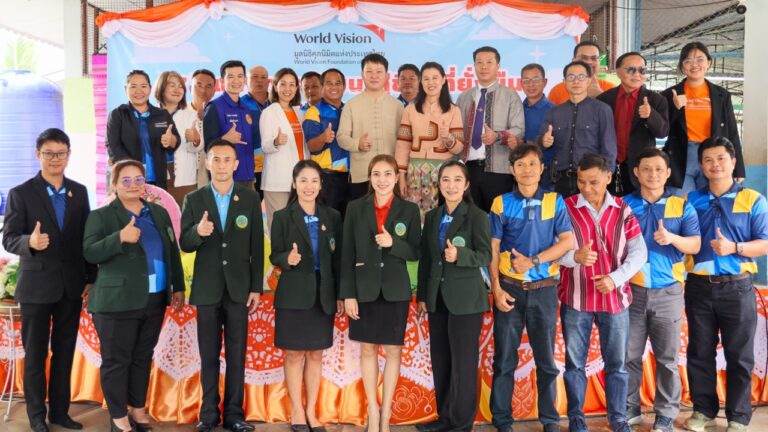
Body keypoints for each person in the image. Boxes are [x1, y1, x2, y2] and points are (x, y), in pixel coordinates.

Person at [2, 128, 96, 432]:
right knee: (36, 355)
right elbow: (9, 238)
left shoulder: (79, 191)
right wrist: (29, 242)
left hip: (71, 286)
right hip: (36, 288)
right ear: (37, 155)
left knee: (64, 353)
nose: (55, 159)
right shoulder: (21, 193)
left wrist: (91, 277)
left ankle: (59, 413)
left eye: (61, 153)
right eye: (49, 153)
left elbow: (86, 238)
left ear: (69, 154)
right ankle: (35, 416)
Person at [83, 160, 185, 432]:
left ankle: (138, 411)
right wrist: (119, 237)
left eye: (138, 179)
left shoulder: (158, 212)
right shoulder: (101, 216)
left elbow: (171, 250)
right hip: (116, 302)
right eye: (125, 180)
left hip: (155, 298)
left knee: (142, 356)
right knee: (117, 361)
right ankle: (118, 418)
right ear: (114, 184)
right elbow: (90, 252)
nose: (133, 185)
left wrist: (178, 286)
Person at [682, 137, 768, 432]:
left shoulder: (754, 200)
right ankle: (703, 411)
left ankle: (738, 417)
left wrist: (735, 248)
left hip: (738, 287)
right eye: (708, 159)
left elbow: (764, 243)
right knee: (699, 352)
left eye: (721, 158)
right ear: (701, 165)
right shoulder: (690, 201)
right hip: (698, 287)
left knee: (739, 355)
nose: (714, 164)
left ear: (733, 162)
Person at [557, 153, 647, 432]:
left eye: (593, 182)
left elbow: (639, 253)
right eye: (581, 181)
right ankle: (576, 418)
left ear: (608, 177)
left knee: (617, 364)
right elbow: (552, 251)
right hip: (576, 299)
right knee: (575, 364)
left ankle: (618, 418)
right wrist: (574, 257)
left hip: (615, 300)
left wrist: (615, 279)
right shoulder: (566, 208)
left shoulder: (623, 210)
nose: (586, 188)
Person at [179, 139, 264, 432]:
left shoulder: (250, 198)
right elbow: (185, 243)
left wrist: (256, 286)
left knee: (237, 354)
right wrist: (198, 231)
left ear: (236, 164)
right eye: (216, 159)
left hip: (239, 289)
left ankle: (234, 415)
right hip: (207, 289)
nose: (222, 165)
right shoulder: (194, 199)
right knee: (209, 354)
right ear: (207, 162)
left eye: (227, 159)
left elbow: (256, 245)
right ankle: (208, 414)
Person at [488, 144, 573, 432]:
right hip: (509, 290)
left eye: (532, 164)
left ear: (541, 168)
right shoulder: (501, 203)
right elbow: (492, 248)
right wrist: (496, 288)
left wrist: (534, 261)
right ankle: (502, 422)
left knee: (546, 361)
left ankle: (550, 420)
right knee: (504, 361)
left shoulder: (555, 200)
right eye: (521, 165)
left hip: (544, 290)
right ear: (512, 170)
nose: (527, 170)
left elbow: (566, 242)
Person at [340, 154, 421, 432]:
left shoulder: (409, 209)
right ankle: (372, 415)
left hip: (395, 290)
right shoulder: (355, 207)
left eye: (388, 174)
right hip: (363, 289)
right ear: (370, 177)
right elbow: (346, 252)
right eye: (376, 174)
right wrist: (348, 293)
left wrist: (393, 243)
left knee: (393, 350)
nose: (382, 180)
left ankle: (386, 417)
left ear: (397, 177)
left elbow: (415, 250)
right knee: (367, 349)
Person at [622, 148, 701, 432]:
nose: (652, 174)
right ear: (636, 172)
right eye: (646, 168)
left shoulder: (682, 206)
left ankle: (665, 414)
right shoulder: (623, 205)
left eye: (658, 169)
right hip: (632, 291)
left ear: (668, 173)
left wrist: (672, 238)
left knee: (667, 359)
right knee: (628, 355)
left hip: (668, 292)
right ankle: (629, 409)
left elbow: (695, 245)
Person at [415, 161, 491, 432]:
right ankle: (444, 418)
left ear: (466, 184)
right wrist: (422, 296)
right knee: (442, 361)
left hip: (466, 300)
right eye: (446, 180)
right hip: (437, 298)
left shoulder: (477, 216)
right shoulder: (432, 217)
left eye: (457, 180)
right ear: (439, 184)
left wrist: (461, 255)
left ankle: (461, 423)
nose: (451, 185)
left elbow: (485, 255)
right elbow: (426, 259)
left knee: (463, 363)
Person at [269, 160, 343, 432]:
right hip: (293, 294)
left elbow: (339, 259)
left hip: (323, 295)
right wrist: (286, 259)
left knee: (315, 354)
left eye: (314, 181)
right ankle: (296, 411)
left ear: (321, 185)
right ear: (294, 184)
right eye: (303, 180)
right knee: (293, 354)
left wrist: (341, 294)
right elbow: (274, 253)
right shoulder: (282, 217)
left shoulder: (333, 217)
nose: (308, 186)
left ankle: (311, 411)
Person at [661, 42, 745, 196]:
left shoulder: (722, 95)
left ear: (708, 63)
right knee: (681, 202)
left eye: (700, 59)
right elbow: (662, 130)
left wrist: (738, 167)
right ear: (682, 67)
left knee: (711, 201)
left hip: (713, 154)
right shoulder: (669, 95)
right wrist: (675, 108)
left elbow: (732, 131)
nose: (694, 65)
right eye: (688, 61)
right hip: (682, 156)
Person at [456, 46, 524, 212]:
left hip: (499, 169)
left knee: (498, 218)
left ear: (498, 66)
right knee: (471, 218)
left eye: (489, 62)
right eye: (479, 62)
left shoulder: (510, 95)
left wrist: (497, 136)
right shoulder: (464, 97)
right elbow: (457, 130)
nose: (484, 66)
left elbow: (519, 129)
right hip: (469, 168)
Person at [538, 61, 617, 197]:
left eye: (581, 77)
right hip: (561, 180)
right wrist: (543, 142)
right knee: (563, 211)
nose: (576, 81)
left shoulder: (602, 109)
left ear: (589, 81)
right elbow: (539, 142)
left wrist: (607, 175)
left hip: (591, 180)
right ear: (564, 82)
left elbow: (609, 146)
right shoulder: (554, 112)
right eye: (571, 77)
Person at [395, 61, 464, 217]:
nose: (430, 82)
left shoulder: (454, 110)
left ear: (443, 79)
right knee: (415, 216)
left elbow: (459, 148)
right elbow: (402, 145)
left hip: (443, 172)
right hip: (415, 172)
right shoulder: (410, 109)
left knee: (441, 216)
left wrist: (449, 138)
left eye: (435, 78)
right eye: (426, 78)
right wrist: (401, 176)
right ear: (421, 82)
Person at [597, 52, 669, 196]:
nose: (637, 74)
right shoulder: (604, 99)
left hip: (640, 167)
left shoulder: (656, 100)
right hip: (609, 165)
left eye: (642, 70)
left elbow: (663, 132)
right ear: (618, 72)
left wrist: (651, 116)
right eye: (631, 69)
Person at [337, 54, 404, 200]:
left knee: (391, 214)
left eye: (379, 71)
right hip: (362, 175)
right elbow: (341, 137)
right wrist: (357, 144)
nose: (374, 76)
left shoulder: (398, 106)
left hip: (391, 176)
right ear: (362, 75)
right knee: (362, 213)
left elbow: (405, 141)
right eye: (369, 71)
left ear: (387, 76)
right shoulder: (351, 105)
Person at [106, 70, 180, 190]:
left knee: (157, 202)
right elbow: (113, 146)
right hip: (129, 180)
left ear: (150, 89)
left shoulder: (162, 114)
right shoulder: (118, 114)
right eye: (133, 86)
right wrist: (132, 170)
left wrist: (171, 140)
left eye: (143, 86)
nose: (139, 91)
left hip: (158, 178)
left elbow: (176, 140)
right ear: (125, 89)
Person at [260, 67, 308, 230]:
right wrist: (275, 141)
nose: (288, 89)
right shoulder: (269, 112)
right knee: (278, 226)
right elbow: (265, 145)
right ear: (275, 86)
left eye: (292, 85)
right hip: (277, 181)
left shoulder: (300, 113)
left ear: (297, 88)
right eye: (283, 84)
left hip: (299, 180)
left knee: (297, 226)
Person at [203, 60, 256, 189]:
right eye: (230, 77)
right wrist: (224, 139)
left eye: (240, 76)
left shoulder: (246, 109)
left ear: (245, 80)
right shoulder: (214, 107)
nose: (236, 81)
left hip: (248, 176)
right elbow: (208, 146)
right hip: (225, 178)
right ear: (222, 81)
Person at [302, 68, 349, 216]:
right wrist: (323, 138)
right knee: (327, 223)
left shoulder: (349, 110)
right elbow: (311, 146)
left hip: (351, 178)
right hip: (327, 179)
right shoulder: (314, 112)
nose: (334, 87)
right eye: (329, 83)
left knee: (347, 224)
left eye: (338, 83)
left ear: (344, 86)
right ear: (322, 87)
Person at [155, 70, 204, 206]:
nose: (177, 89)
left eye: (180, 86)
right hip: (157, 177)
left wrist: (195, 139)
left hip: (185, 179)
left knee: (184, 216)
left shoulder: (190, 115)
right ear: (161, 88)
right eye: (172, 85)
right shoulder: (151, 114)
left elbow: (197, 148)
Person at [519, 63, 554, 189]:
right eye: (526, 80)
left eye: (535, 80)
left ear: (544, 82)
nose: (531, 84)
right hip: (519, 171)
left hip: (545, 173)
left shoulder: (554, 111)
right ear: (521, 83)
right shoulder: (517, 108)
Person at [548, 41, 616, 105]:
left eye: (594, 58)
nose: (589, 62)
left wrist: (600, 95)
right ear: (573, 61)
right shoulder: (557, 91)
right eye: (584, 58)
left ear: (599, 62)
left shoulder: (611, 89)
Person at [242, 65, 272, 193]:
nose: (259, 80)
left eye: (263, 77)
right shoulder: (239, 105)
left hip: (274, 166)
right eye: (254, 77)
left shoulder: (276, 103)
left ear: (268, 82)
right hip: (249, 168)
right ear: (246, 81)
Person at [189, 69, 216, 189]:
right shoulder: (180, 114)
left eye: (208, 86)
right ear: (190, 88)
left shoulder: (218, 115)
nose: (203, 90)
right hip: (184, 179)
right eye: (198, 85)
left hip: (210, 179)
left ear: (214, 90)